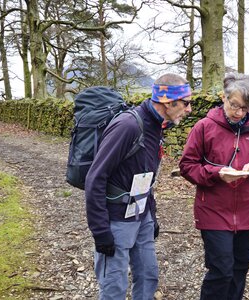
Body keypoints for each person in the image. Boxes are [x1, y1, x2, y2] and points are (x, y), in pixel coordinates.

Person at [85, 73, 193, 300]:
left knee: (148, 275)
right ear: (168, 101)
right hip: (115, 221)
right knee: (114, 285)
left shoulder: (157, 126)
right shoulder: (128, 126)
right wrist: (100, 231)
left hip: (142, 215)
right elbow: (95, 177)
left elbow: (146, 176)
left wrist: (151, 216)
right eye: (186, 103)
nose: (190, 109)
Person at [179, 72, 249, 300]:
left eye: (245, 108)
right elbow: (187, 165)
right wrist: (217, 174)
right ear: (223, 98)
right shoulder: (204, 127)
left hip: (248, 211)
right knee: (222, 270)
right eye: (234, 105)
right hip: (213, 211)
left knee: (240, 269)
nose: (239, 113)